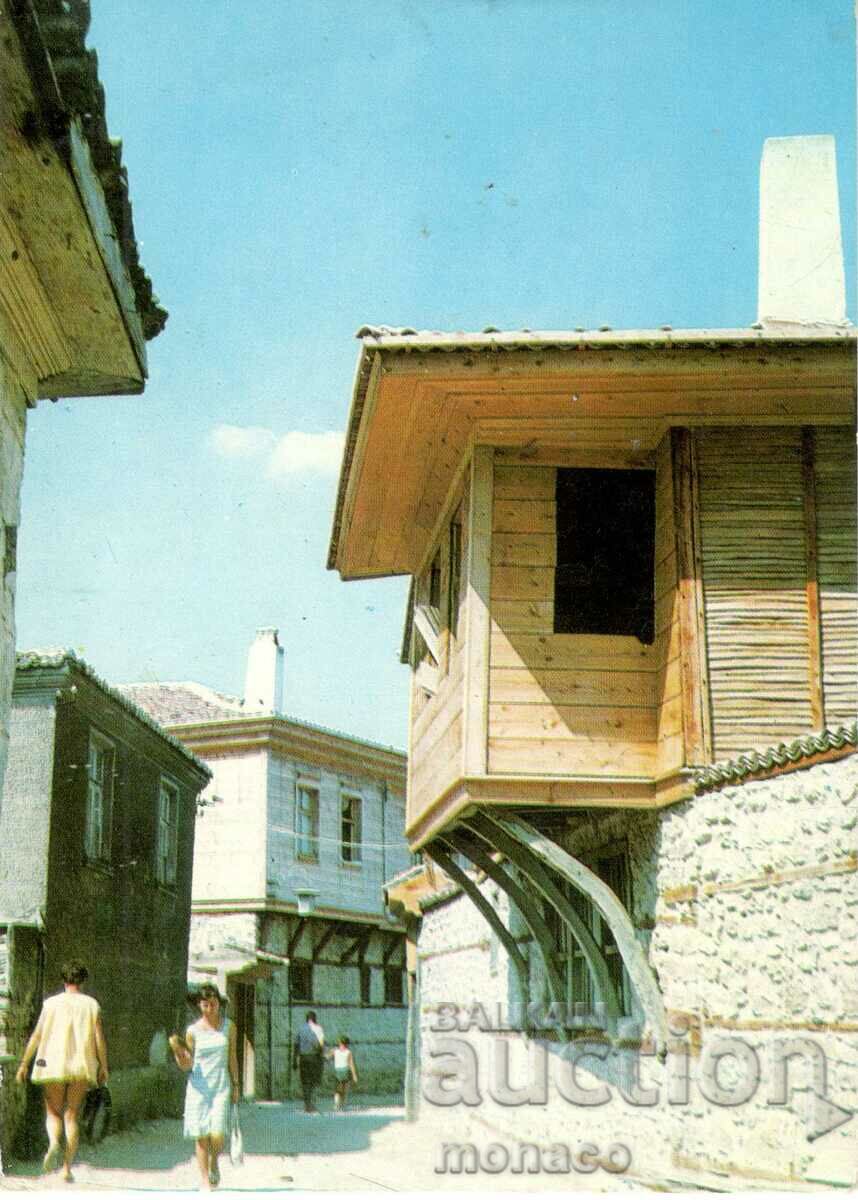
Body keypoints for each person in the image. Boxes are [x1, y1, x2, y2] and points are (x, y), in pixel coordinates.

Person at [14, 959, 109, 1183]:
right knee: (72, 1115)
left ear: (63, 980)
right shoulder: (91, 1005)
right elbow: (99, 1039)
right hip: (80, 1065)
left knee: (53, 1113)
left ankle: (54, 1142)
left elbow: (37, 1036)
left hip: (53, 1063)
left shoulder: (50, 1004)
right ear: (83, 980)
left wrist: (24, 1064)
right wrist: (103, 1066)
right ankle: (67, 1169)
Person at [170, 985, 239, 1191]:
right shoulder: (192, 1031)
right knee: (201, 1134)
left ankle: (214, 1161)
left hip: (221, 1084)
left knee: (217, 1132)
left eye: (213, 1004)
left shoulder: (229, 1027)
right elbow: (187, 1064)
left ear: (219, 1003)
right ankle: (204, 1181)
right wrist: (178, 1054)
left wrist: (236, 1085)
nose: (210, 1008)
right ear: (200, 1006)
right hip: (198, 1086)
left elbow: (232, 1057)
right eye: (205, 1005)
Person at [292, 1010, 324, 1113]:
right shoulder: (318, 1028)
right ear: (314, 1018)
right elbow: (320, 1044)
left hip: (303, 1058)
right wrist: (321, 1056)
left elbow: (296, 1045)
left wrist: (294, 1060)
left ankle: (307, 1105)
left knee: (305, 1082)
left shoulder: (301, 1029)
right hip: (314, 1057)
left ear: (307, 1019)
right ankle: (312, 1104)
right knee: (314, 1081)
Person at [328, 1035, 358, 1112]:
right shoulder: (349, 1052)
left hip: (338, 1071)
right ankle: (343, 1105)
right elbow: (351, 1064)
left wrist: (329, 1052)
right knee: (344, 1090)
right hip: (345, 1072)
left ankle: (336, 1104)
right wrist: (354, 1075)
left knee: (337, 1090)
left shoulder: (335, 1051)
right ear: (347, 1043)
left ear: (339, 1043)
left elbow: (327, 1057)